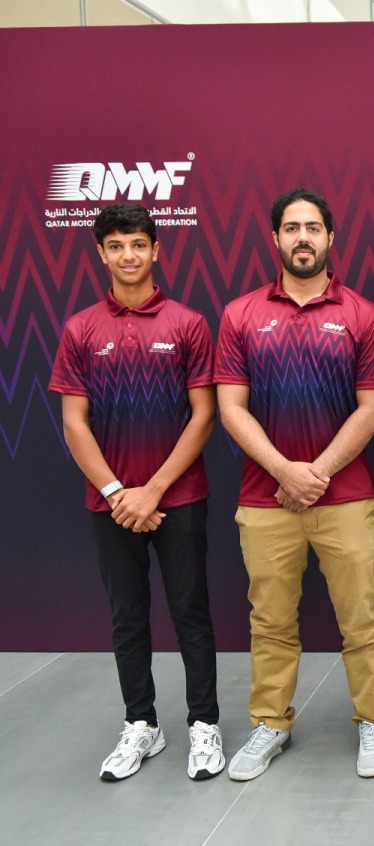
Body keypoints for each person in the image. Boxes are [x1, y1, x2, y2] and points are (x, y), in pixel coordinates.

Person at [215, 188, 374, 780]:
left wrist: (313, 474)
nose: (302, 238)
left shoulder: (362, 315)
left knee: (361, 617)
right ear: (275, 239)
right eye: (291, 228)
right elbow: (232, 408)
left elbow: (371, 408)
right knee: (269, 621)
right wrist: (284, 472)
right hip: (265, 497)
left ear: (330, 238)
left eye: (312, 228)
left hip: (344, 497)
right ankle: (271, 723)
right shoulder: (241, 314)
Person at [50, 202, 223, 781]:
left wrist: (153, 490)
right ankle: (141, 725)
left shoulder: (189, 323)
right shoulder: (79, 328)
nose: (129, 256)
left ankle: (204, 725)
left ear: (155, 250)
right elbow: (75, 423)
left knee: (190, 613)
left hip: (178, 497)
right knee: (127, 617)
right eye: (117, 246)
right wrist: (118, 489)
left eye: (139, 245)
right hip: (112, 503)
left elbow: (203, 417)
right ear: (101, 253)